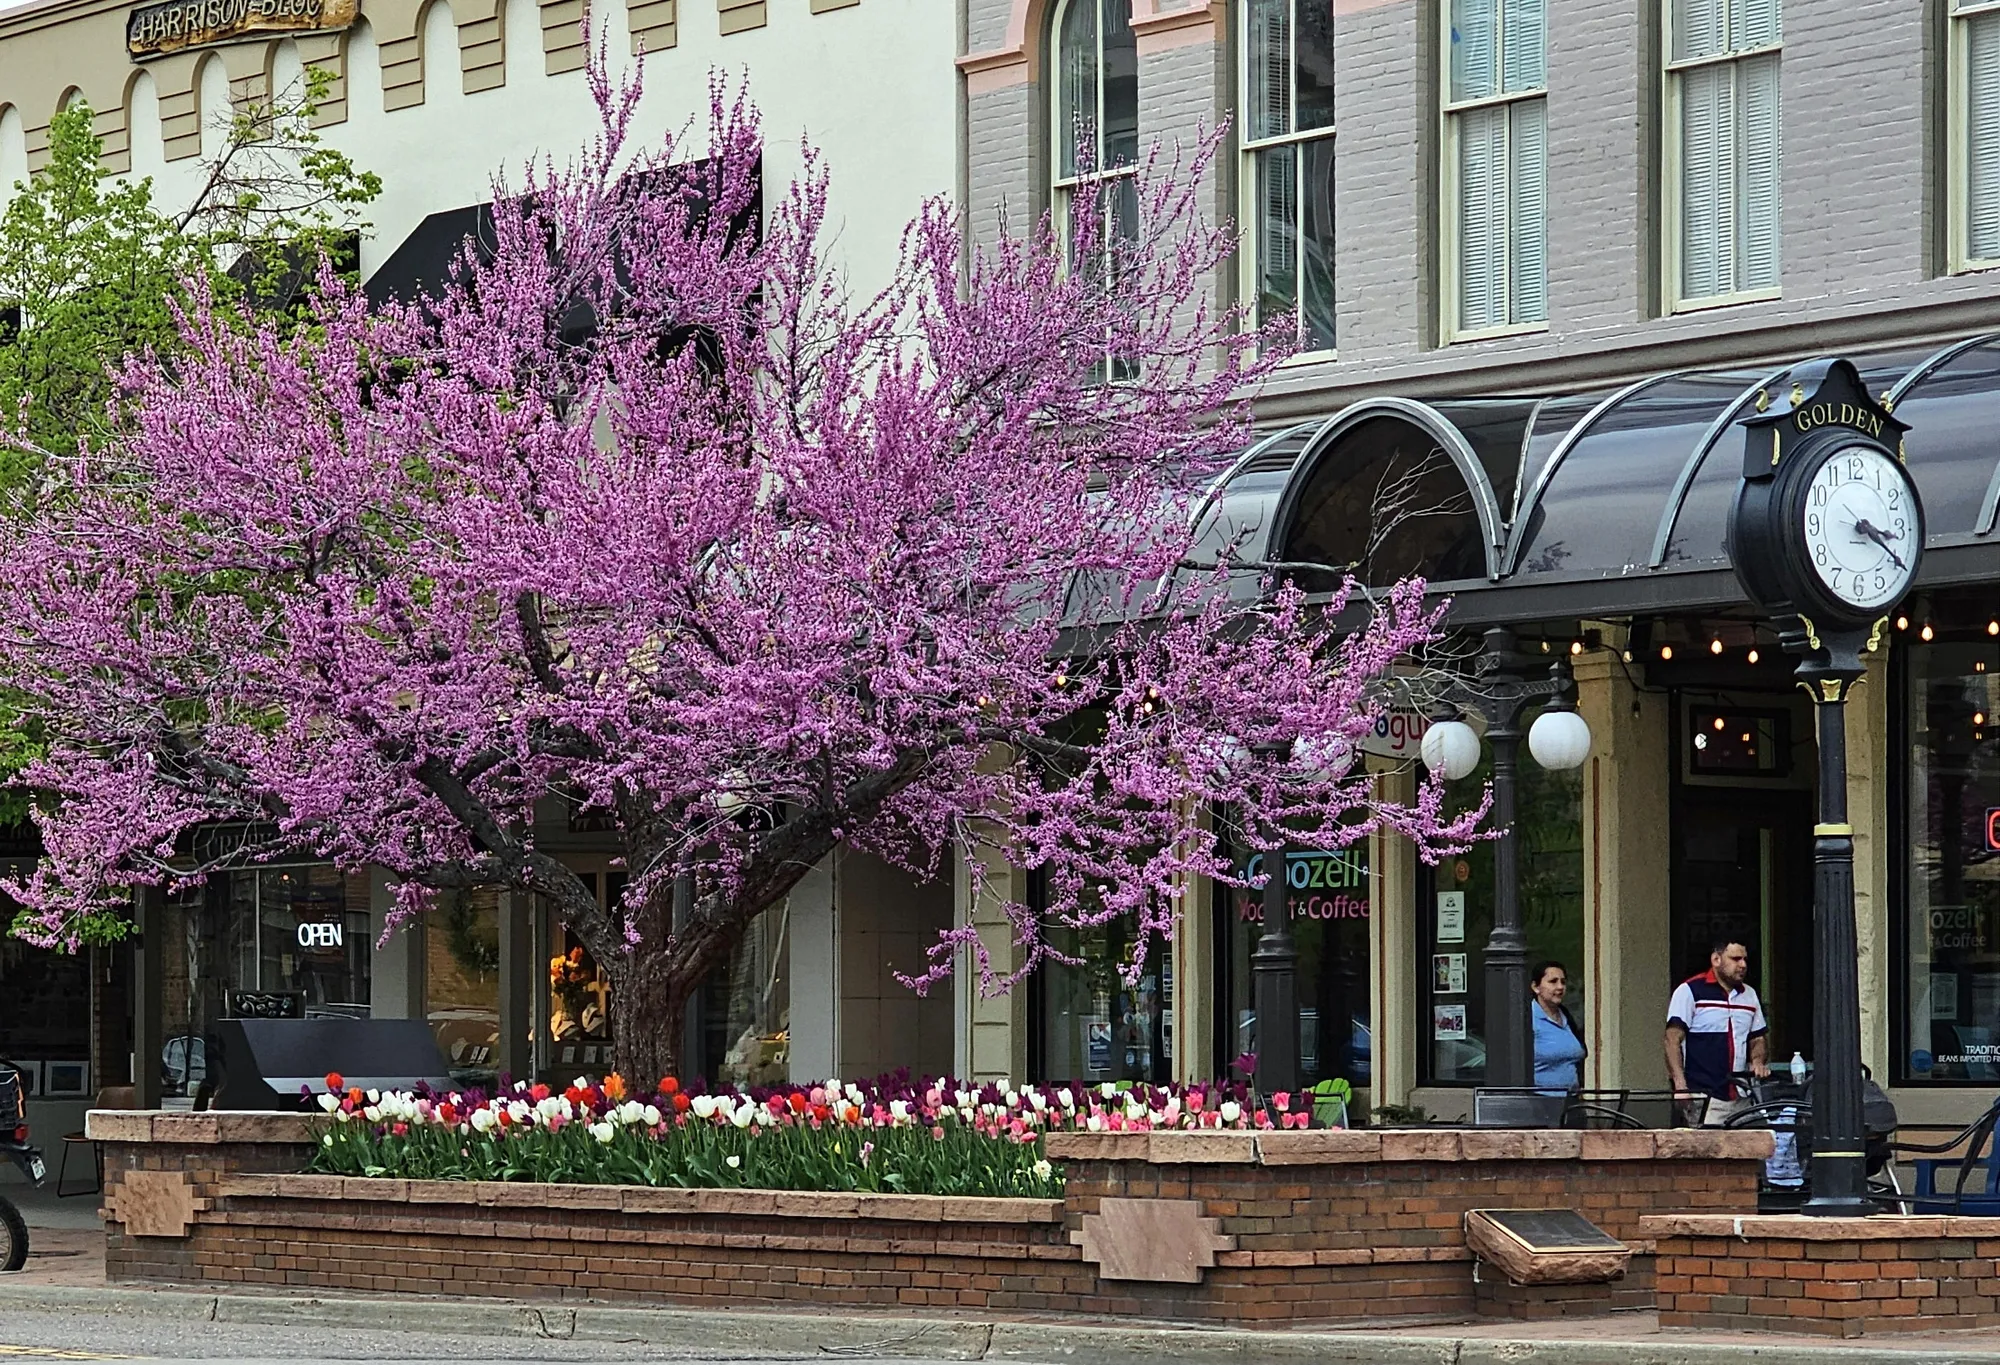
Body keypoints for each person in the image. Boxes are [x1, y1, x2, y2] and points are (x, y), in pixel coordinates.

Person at [1665, 937, 1770, 1124]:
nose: (1743, 965)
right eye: (1735, 959)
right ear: (1716, 960)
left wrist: (1757, 1061)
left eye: (1745, 959)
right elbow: (1672, 1040)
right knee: (1709, 1148)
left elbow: (1758, 1038)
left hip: (1742, 1094)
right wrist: (1680, 1086)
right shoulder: (1690, 991)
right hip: (1705, 1095)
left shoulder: (1749, 995)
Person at [1529, 960, 1587, 1091]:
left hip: (1571, 1100)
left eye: (1563, 982)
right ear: (1535, 987)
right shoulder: (1528, 1018)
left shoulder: (1567, 1017)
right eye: (1553, 981)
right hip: (1539, 1101)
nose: (1560, 987)